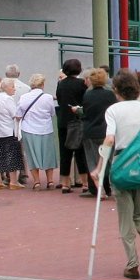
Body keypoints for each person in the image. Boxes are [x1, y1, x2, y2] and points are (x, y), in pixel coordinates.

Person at [96, 69, 140, 280]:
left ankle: (132, 264)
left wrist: (99, 168)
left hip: (121, 168)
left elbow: (109, 140)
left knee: (126, 219)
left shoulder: (113, 110)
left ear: (116, 90)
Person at [78, 68, 115, 197]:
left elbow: (85, 112)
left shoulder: (87, 95)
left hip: (90, 131)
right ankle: (111, 186)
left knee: (92, 161)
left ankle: (100, 189)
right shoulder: (110, 94)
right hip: (106, 131)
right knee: (108, 160)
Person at [55, 59, 90, 193]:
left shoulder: (61, 84)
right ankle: (85, 182)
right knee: (80, 153)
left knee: (65, 153)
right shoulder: (82, 84)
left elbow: (59, 99)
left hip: (63, 121)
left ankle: (65, 183)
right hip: (78, 121)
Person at [19, 73, 58, 190]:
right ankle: (50, 181)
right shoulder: (48, 97)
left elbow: (18, 113)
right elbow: (52, 113)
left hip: (28, 128)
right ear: (42, 84)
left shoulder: (24, 97)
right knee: (48, 154)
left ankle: (36, 182)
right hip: (45, 128)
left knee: (32, 155)